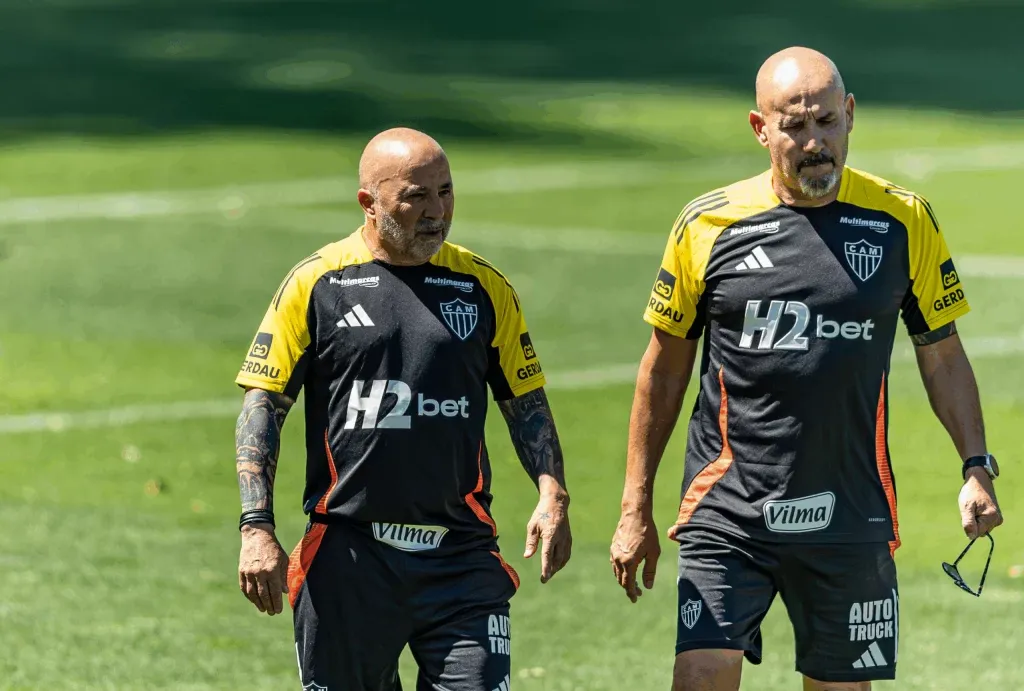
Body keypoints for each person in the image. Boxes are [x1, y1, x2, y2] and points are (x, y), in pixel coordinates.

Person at [609, 46, 1003, 691]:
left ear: (850, 115)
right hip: (728, 506)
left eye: (826, 122)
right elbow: (664, 368)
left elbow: (943, 353)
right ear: (761, 129)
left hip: (849, 511)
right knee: (701, 675)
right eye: (795, 126)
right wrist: (634, 507)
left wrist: (976, 465)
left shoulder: (903, 219)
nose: (815, 142)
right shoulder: (707, 223)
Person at [233, 127, 571, 691]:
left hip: (460, 555)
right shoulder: (318, 283)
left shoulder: (483, 286)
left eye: (446, 192)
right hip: (349, 558)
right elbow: (262, 408)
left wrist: (552, 491)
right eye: (416, 196)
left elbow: (525, 401)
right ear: (369, 203)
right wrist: (255, 527)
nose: (437, 211)